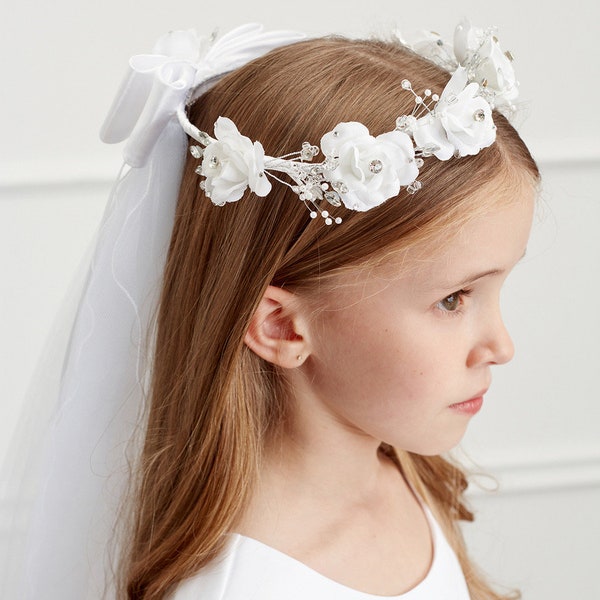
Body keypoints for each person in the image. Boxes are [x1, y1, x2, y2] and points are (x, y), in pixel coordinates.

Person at [2, 20, 538, 600]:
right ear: (280, 325)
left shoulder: (404, 474)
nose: (501, 346)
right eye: (454, 299)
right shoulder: (244, 587)